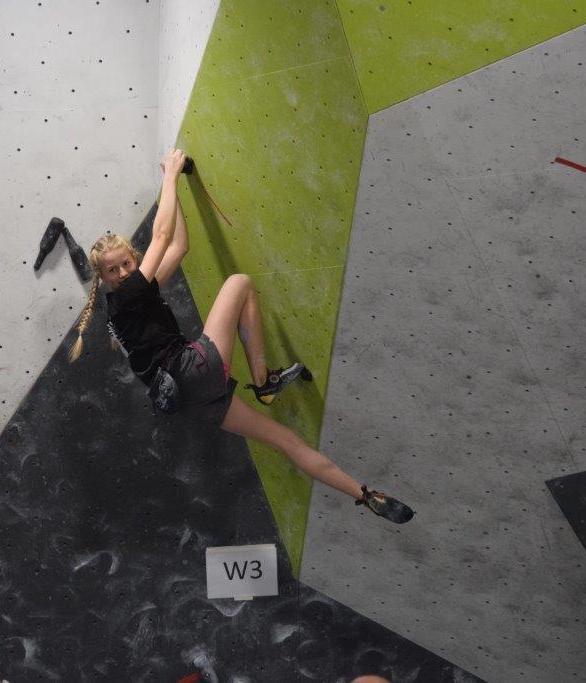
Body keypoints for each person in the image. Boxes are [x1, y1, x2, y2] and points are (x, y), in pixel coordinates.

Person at [67, 148, 412, 523]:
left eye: (126, 265)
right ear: (103, 278)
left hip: (191, 402)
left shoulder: (127, 303)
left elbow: (179, 246)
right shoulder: (127, 294)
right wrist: (169, 173)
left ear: (133, 263)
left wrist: (179, 188)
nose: (121, 272)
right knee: (240, 283)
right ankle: (264, 382)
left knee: (286, 441)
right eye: (113, 270)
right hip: (191, 370)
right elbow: (162, 235)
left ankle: (364, 494)